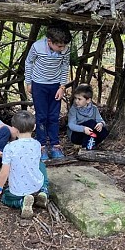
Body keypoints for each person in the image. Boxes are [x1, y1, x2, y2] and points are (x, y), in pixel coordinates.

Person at [25, 22, 72, 161]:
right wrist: (29, 82)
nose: (62, 48)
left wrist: (62, 86)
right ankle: (41, 146)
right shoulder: (37, 47)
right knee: (41, 117)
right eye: (59, 46)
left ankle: (55, 145)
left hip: (55, 86)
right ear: (49, 41)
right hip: (39, 85)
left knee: (53, 116)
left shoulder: (65, 49)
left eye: (64, 46)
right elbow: (29, 62)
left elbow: (64, 66)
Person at [0, 110, 49, 219]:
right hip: (36, 185)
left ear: (15, 129)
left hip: (18, 190)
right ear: (34, 127)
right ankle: (44, 191)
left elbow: (5, 171)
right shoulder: (37, 144)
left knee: (6, 197)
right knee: (41, 165)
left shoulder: (9, 148)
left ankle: (21, 202)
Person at [67, 83, 109, 150]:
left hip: (90, 134)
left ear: (88, 100)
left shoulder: (94, 109)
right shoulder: (74, 109)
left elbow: (100, 120)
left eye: (79, 99)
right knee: (91, 123)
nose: (76, 101)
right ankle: (87, 147)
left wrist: (100, 124)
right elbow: (71, 125)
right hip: (77, 135)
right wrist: (83, 129)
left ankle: (91, 143)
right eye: (75, 98)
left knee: (104, 132)